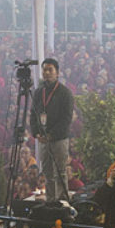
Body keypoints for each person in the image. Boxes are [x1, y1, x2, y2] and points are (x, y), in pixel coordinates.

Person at [30, 58, 75, 203]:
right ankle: (51, 201)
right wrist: (36, 132)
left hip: (59, 139)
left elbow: (66, 119)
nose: (47, 72)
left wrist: (51, 135)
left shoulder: (65, 93)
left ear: (57, 73)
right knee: (48, 172)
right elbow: (33, 114)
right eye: (44, 70)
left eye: (50, 70)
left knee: (60, 172)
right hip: (43, 139)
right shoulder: (38, 92)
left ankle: (62, 202)